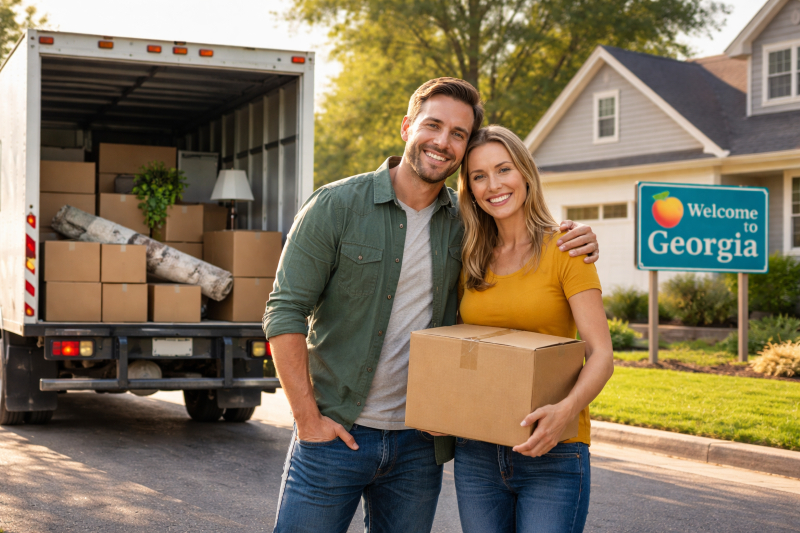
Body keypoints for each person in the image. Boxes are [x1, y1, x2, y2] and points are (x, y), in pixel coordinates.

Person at [262, 78, 600, 533]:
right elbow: (284, 311)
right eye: (433, 125)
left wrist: (577, 236)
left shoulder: (464, 227)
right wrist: (307, 419)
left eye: (458, 134)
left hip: (419, 446)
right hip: (335, 433)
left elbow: (517, 229)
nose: (443, 142)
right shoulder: (336, 205)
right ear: (407, 127)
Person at [453, 125, 614, 533]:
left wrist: (565, 413)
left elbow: (601, 354)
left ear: (525, 172)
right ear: (469, 188)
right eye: (479, 176)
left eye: (503, 169)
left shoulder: (567, 249)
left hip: (554, 449)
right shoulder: (467, 256)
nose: (494, 185)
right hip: (477, 453)